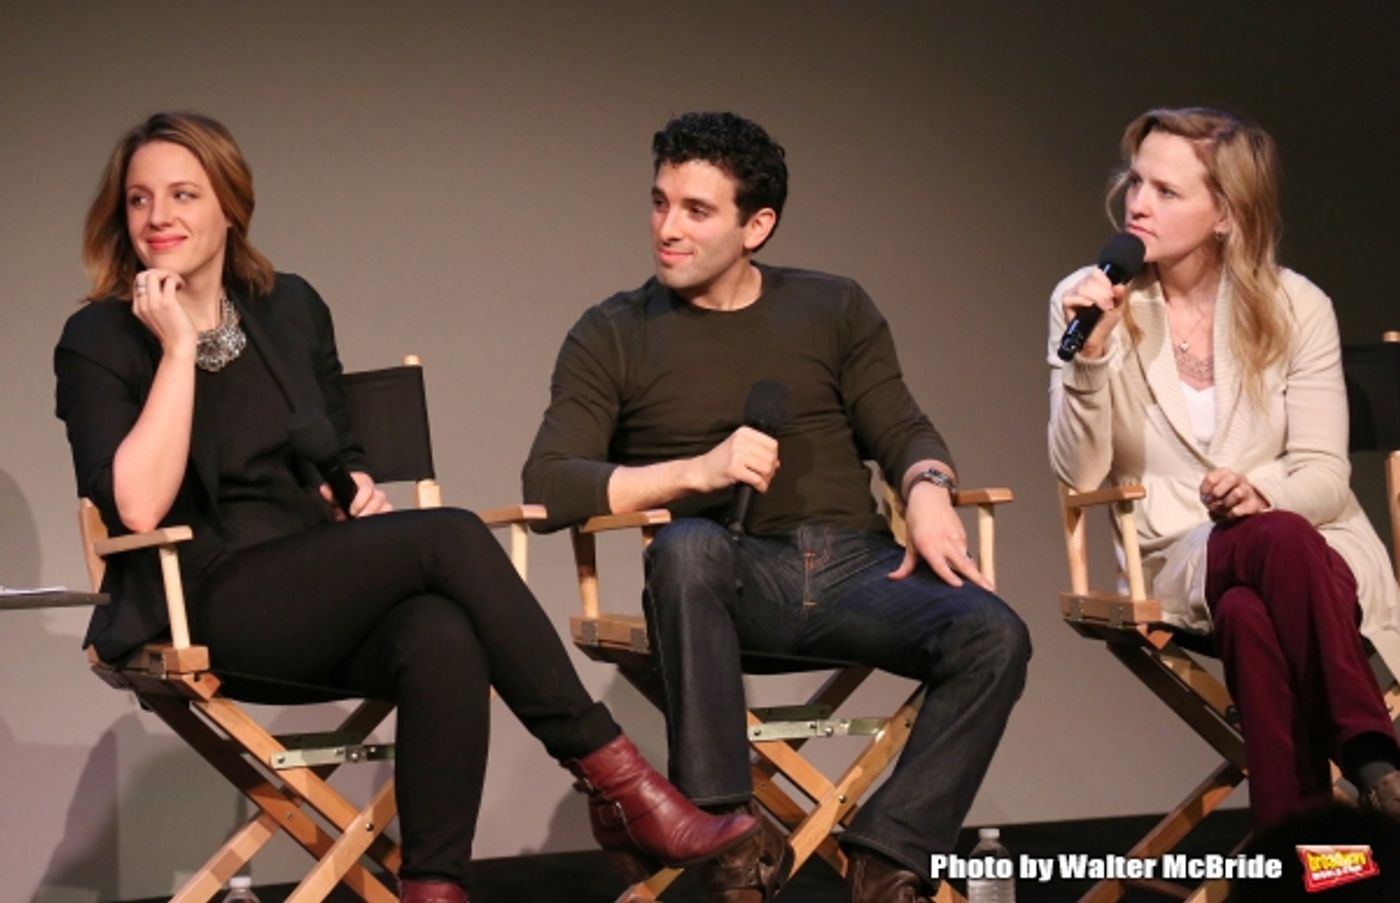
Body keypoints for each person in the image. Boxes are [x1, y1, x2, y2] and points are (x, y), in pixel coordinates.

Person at [53, 112, 756, 903]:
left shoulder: (289, 309)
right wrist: (178, 347)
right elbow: (138, 506)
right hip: (200, 598)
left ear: (230, 206)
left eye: (183, 194)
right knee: (450, 536)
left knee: (440, 631)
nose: (158, 216)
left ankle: (434, 888)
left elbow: (334, 447)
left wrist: (351, 486)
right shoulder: (99, 338)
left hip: (304, 585)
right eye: (140, 198)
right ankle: (621, 785)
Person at [523, 111, 1030, 902]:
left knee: (995, 632)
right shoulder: (612, 332)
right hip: (728, 579)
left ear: (756, 226)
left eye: (696, 210)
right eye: (659, 202)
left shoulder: (833, 307)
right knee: (686, 545)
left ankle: (889, 854)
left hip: (859, 569)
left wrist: (929, 487)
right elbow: (550, 483)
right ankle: (730, 839)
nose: (667, 228)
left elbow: (904, 429)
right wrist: (699, 470)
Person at [1047, 106, 1400, 829]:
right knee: (1266, 548)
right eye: (1136, 181)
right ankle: (1371, 752)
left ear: (1227, 215)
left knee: (1252, 609)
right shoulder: (1088, 299)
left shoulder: (1297, 305)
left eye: (1166, 191)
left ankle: (1304, 855)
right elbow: (1079, 476)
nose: (1138, 204)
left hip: (1321, 548)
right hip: (1180, 553)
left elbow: (1325, 476)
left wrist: (1261, 491)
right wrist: (1091, 358)